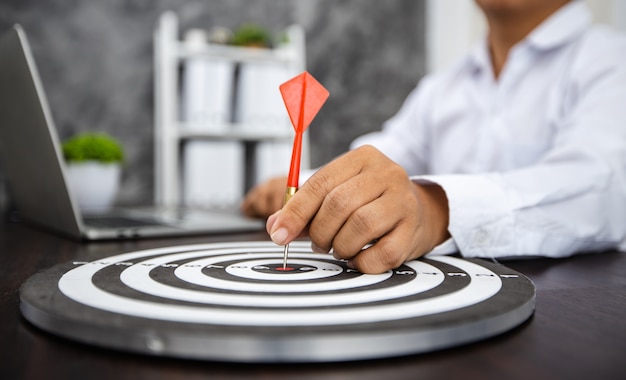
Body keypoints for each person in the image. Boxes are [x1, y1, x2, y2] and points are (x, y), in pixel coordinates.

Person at [242, 0, 626, 274]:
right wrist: (315, 186)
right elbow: (392, 150)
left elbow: (603, 186)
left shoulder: (610, 61)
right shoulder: (444, 87)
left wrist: (436, 209)